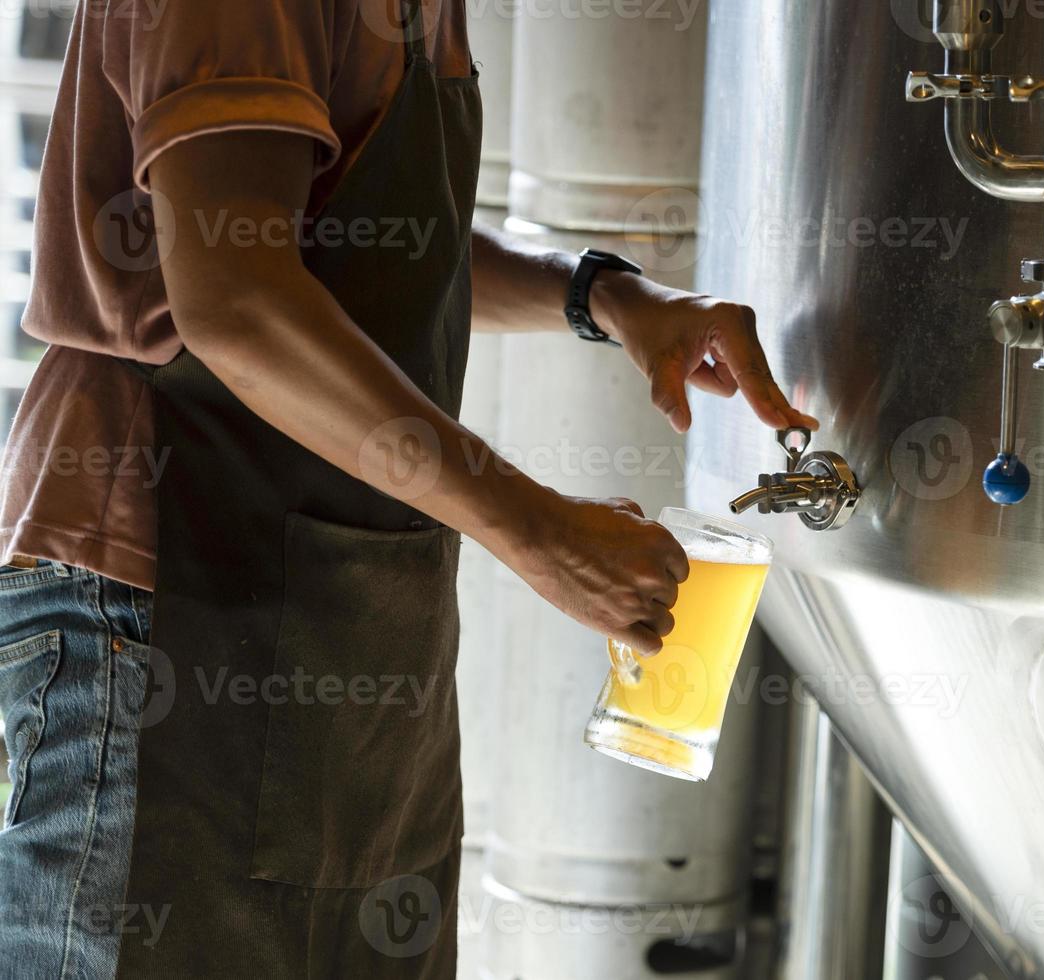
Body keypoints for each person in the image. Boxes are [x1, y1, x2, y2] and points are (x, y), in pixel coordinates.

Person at [0, 1, 815, 976]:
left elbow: (357, 234)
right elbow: (240, 292)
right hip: (163, 591)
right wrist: (539, 531)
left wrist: (601, 295)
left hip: (349, 618)